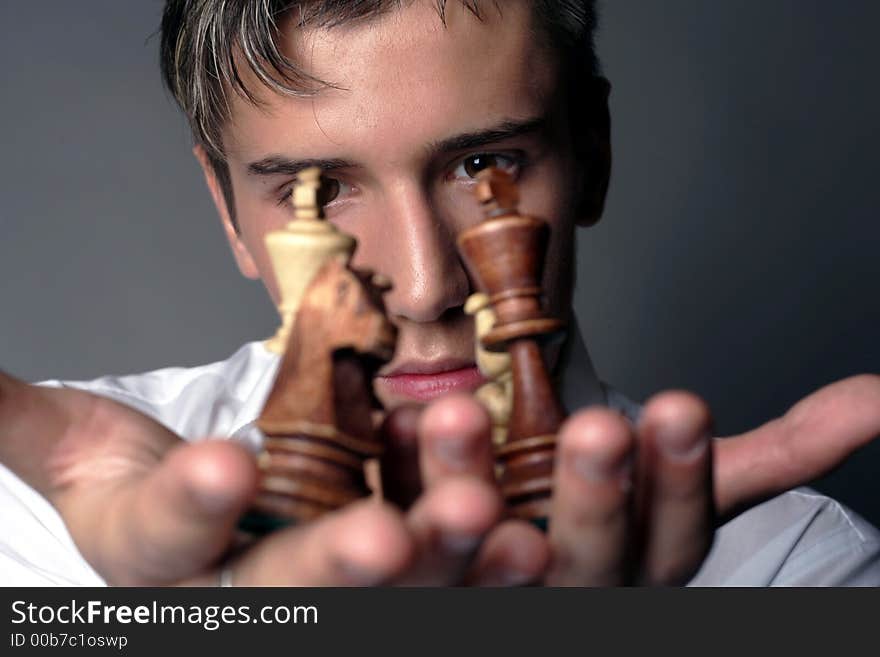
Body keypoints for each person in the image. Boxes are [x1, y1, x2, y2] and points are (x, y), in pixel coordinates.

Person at [1, 0, 878, 586]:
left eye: (483, 164)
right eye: (319, 187)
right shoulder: (42, 524)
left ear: (591, 157)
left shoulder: (794, 564)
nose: (425, 289)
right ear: (229, 214)